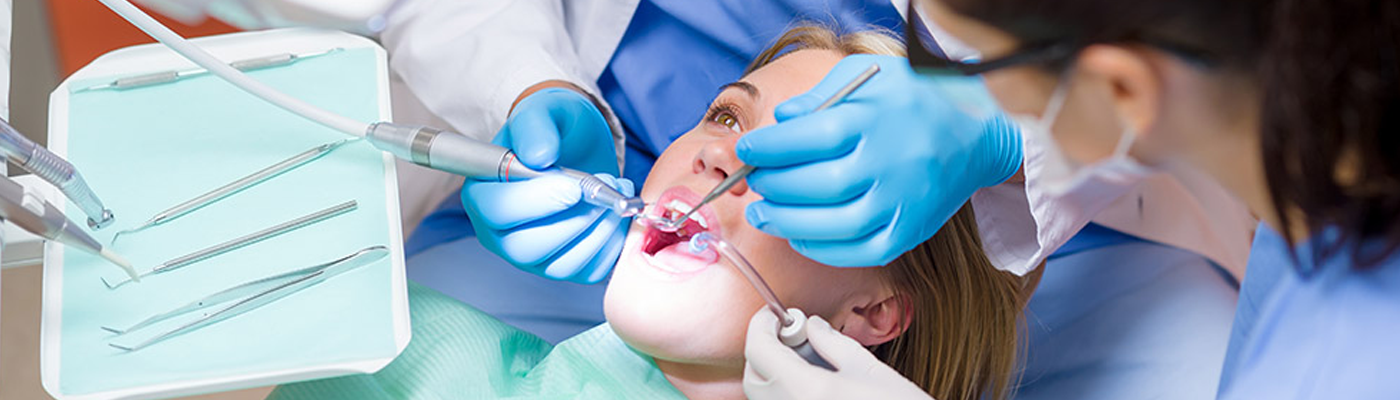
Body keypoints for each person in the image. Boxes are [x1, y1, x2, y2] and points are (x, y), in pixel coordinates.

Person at [267, 27, 1035, 400]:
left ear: (874, 314)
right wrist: (530, 87)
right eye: (728, 118)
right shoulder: (390, 346)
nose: (717, 157)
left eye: (802, 164)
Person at [758, 0, 1400, 398]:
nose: (717, 158)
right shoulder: (1316, 196)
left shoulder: (1336, 369)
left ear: (1123, 88)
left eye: (966, 67)